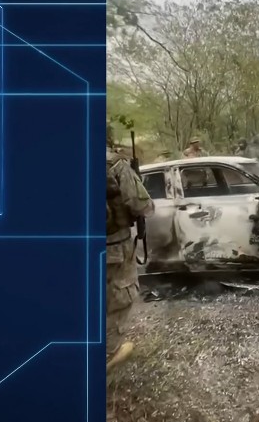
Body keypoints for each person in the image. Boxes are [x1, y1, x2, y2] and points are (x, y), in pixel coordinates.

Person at [105, 124, 154, 373]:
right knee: (118, 298)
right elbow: (141, 205)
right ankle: (106, 356)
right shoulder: (115, 164)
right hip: (113, 246)